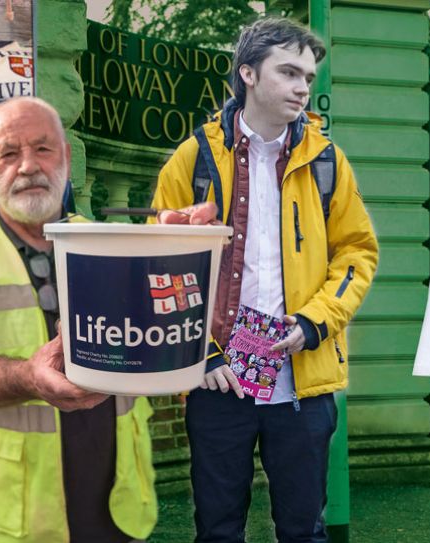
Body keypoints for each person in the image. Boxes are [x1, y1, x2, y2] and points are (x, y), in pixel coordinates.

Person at [150, 17, 379, 542]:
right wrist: (199, 352)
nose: (303, 87)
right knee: (218, 529)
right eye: (290, 72)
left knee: (303, 529)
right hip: (217, 376)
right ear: (248, 74)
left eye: (309, 77)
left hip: (303, 377)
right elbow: (158, 262)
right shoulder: (195, 158)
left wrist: (315, 321)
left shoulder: (327, 161)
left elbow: (357, 253)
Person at [0, 96, 157, 542]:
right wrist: (31, 378)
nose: (28, 166)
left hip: (119, 512)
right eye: (9, 153)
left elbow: (172, 331)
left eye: (43, 148)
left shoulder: (118, 247)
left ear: (67, 157)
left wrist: (184, 249)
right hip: (10, 521)